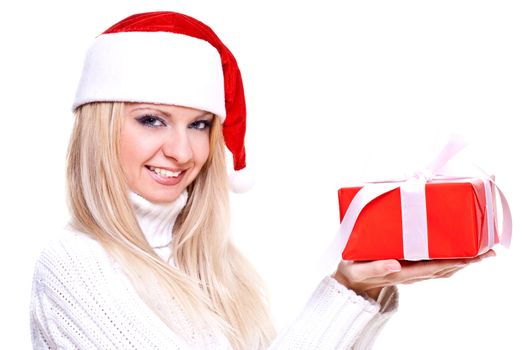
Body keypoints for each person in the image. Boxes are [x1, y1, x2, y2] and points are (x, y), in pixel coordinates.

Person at [29, 11, 494, 350]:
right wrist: (344, 293)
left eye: (199, 124)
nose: (182, 151)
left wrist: (362, 288)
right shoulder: (74, 263)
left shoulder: (211, 263)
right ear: (100, 129)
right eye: (151, 120)